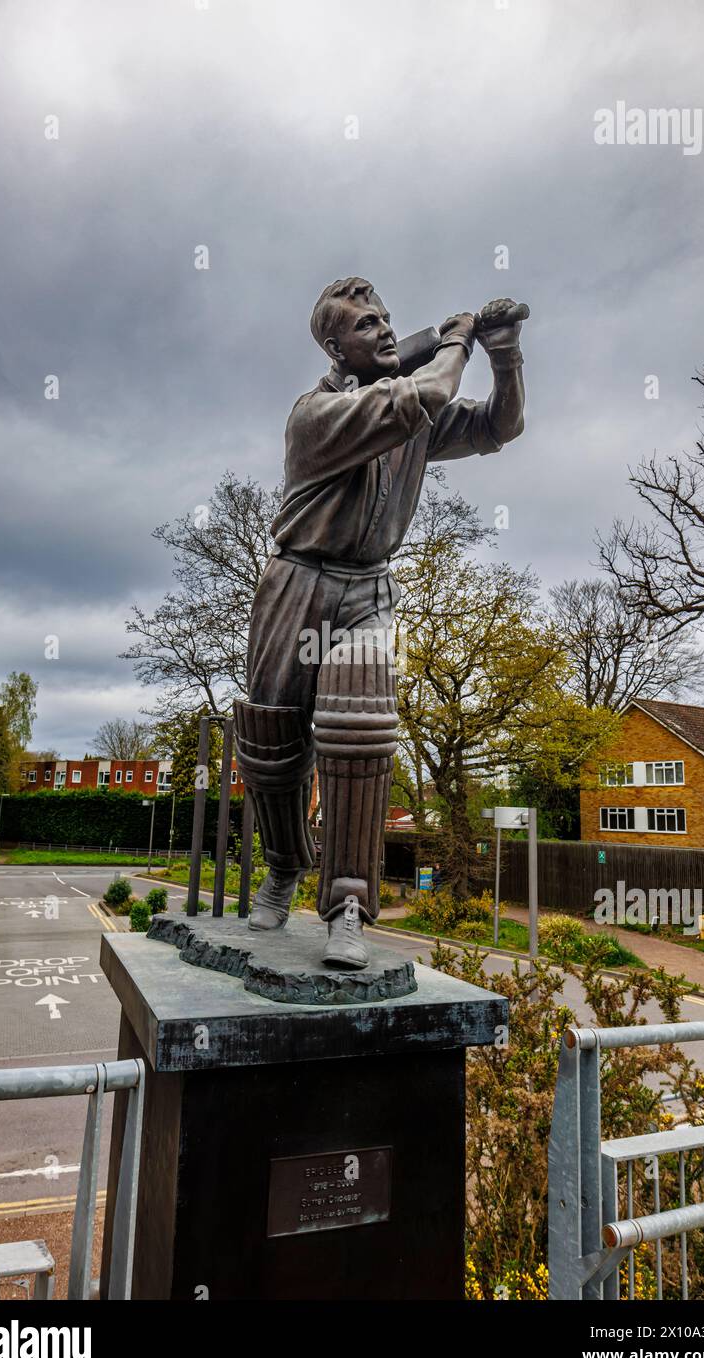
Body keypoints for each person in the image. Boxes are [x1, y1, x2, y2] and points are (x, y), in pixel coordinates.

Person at [234, 277, 526, 968]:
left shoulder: (406, 416)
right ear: (335, 346)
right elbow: (421, 396)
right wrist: (454, 337)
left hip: (365, 588)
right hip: (296, 583)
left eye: (388, 320)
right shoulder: (317, 413)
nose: (385, 330)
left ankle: (346, 908)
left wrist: (505, 353)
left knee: (359, 731)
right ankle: (282, 867)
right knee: (271, 739)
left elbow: (497, 427)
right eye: (368, 325)